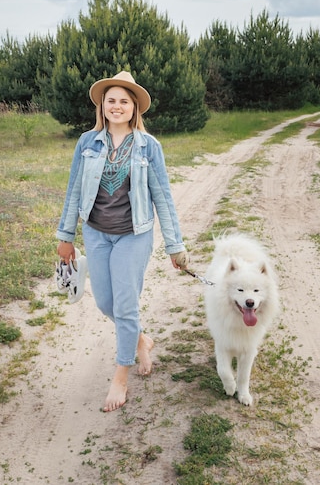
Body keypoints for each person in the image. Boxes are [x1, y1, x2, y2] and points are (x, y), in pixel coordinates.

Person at [56, 70, 188, 412]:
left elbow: (163, 197)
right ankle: (141, 338)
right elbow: (73, 190)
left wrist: (175, 245)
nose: (117, 106)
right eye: (111, 100)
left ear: (134, 108)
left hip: (134, 234)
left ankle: (120, 377)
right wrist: (65, 236)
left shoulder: (149, 146)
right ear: (103, 105)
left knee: (126, 305)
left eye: (124, 101)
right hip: (96, 233)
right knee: (104, 303)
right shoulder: (88, 142)